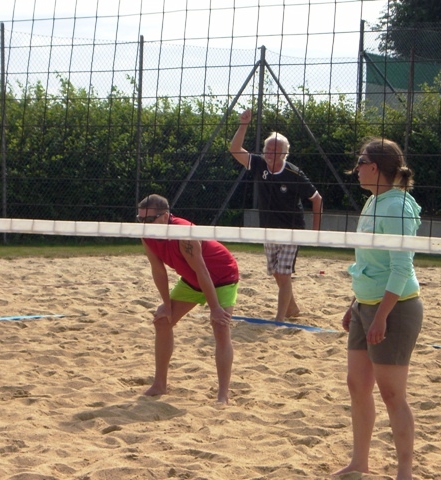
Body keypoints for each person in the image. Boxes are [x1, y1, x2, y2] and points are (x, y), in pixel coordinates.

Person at [333, 138, 423, 480]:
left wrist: (381, 316)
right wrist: (355, 303)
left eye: (360, 162)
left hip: (395, 308)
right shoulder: (373, 201)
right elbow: (369, 262)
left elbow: (401, 268)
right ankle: (359, 462)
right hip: (365, 305)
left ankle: (405, 472)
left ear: (374, 166)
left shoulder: (397, 207)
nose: (356, 169)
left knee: (392, 393)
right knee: (357, 384)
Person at [137, 194, 239, 404]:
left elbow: (203, 270)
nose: (144, 224)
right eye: (140, 219)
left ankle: (223, 394)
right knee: (162, 321)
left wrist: (215, 308)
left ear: (165, 216)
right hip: (192, 279)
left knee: (220, 326)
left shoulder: (184, 233)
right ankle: (159, 384)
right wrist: (166, 304)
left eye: (149, 219)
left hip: (222, 276)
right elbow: (158, 270)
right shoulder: (147, 235)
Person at [229, 108, 323, 321]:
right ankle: (292, 308)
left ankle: (279, 319)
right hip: (268, 228)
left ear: (284, 154)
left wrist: (316, 233)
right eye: (267, 149)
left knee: (284, 273)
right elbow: (235, 149)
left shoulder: (294, 174)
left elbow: (317, 199)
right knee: (277, 273)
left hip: (291, 230)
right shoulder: (259, 164)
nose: (270, 153)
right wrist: (243, 125)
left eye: (275, 150)